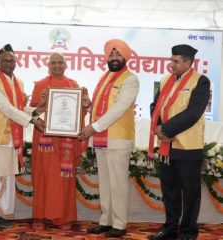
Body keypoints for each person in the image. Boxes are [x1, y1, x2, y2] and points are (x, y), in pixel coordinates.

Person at [0, 44, 45, 231]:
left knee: (7, 177)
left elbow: (19, 107)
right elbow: (5, 107)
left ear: (16, 62)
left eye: (12, 60)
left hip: (11, 138)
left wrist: (39, 111)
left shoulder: (18, 83)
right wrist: (32, 120)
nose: (9, 63)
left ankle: (1, 213)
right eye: (5, 60)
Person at [147, 45, 210, 240]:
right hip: (166, 147)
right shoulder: (166, 79)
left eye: (175, 61)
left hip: (188, 147)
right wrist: (158, 127)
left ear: (188, 62)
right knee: (170, 191)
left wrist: (167, 130)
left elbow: (193, 113)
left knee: (191, 193)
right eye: (171, 59)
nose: (170, 64)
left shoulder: (200, 81)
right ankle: (170, 228)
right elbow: (154, 106)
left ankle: (188, 232)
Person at [78, 39, 139, 238]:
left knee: (118, 183)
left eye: (117, 55)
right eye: (111, 55)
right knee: (105, 182)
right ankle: (106, 220)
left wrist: (92, 128)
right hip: (101, 139)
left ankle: (119, 224)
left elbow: (119, 109)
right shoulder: (105, 78)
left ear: (125, 57)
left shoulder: (130, 79)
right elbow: (100, 107)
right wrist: (88, 104)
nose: (114, 58)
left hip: (118, 139)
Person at [29, 52, 89, 230]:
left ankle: (63, 218)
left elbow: (80, 113)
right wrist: (40, 103)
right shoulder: (40, 85)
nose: (56, 65)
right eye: (53, 62)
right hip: (44, 141)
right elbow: (32, 112)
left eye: (60, 62)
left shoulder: (73, 85)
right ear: (48, 65)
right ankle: (40, 217)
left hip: (65, 141)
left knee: (64, 179)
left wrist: (85, 103)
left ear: (65, 65)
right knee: (43, 176)